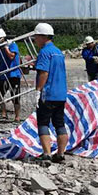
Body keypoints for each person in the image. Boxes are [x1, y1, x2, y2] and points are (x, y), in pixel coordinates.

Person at [33, 22, 68, 164]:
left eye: (36, 36)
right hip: (61, 94)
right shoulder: (58, 52)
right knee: (59, 124)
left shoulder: (44, 52)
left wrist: (38, 91)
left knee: (43, 123)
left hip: (48, 94)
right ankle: (60, 154)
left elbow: (44, 73)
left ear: (43, 37)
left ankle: (47, 154)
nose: (35, 39)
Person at [0, 28, 22, 122]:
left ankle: (17, 116)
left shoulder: (12, 44)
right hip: (3, 74)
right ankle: (4, 113)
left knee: (15, 96)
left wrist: (6, 47)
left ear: (2, 38)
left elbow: (11, 56)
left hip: (13, 74)